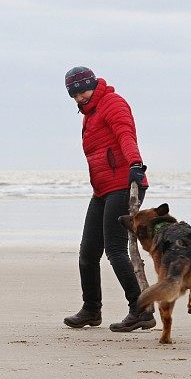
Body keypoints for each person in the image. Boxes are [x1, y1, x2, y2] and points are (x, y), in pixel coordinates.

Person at [62, 66, 155, 332]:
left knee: (115, 250)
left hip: (124, 185)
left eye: (82, 91)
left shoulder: (112, 104)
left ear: (93, 84)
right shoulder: (89, 115)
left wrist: (136, 164)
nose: (79, 97)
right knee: (88, 252)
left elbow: (126, 135)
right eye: (74, 94)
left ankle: (142, 310)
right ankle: (91, 309)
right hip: (102, 189)